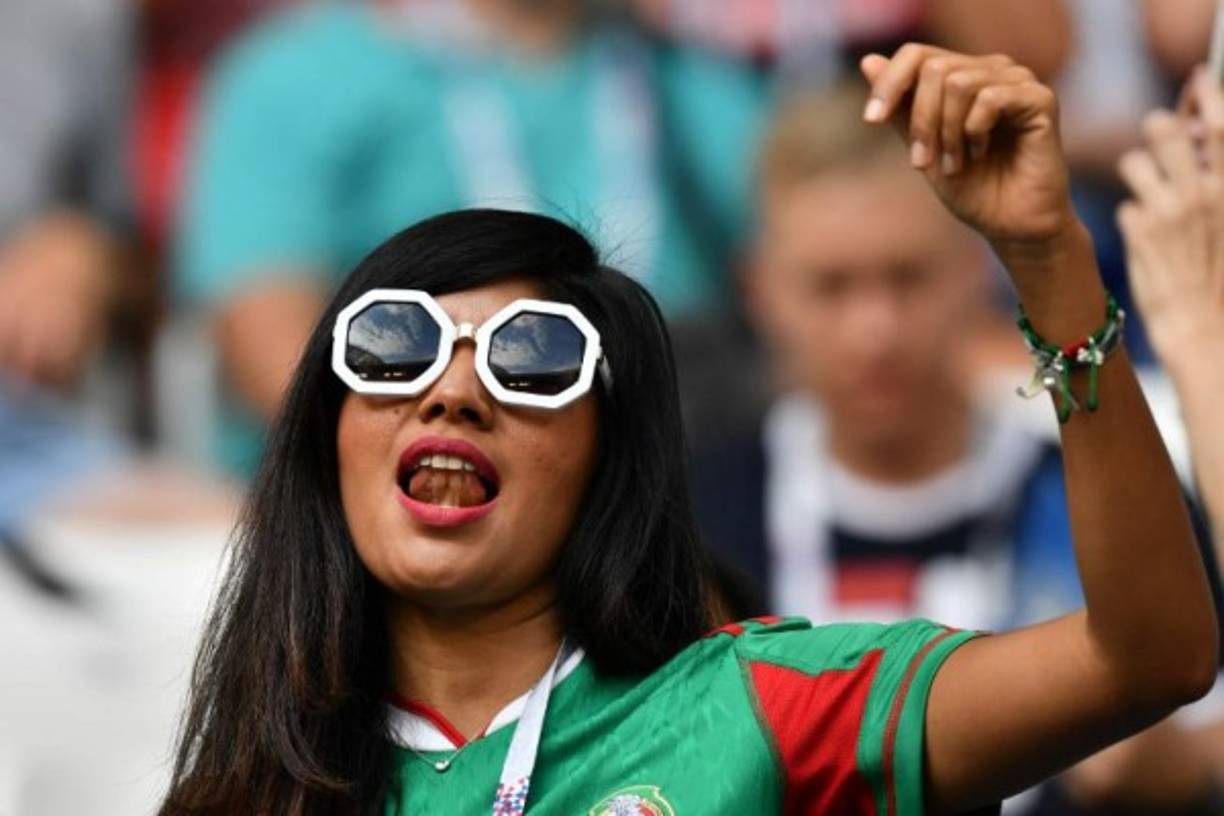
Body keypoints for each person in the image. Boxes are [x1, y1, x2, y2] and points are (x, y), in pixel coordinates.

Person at [161, 47, 1219, 815]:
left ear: (605, 457)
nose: (454, 392)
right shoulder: (240, 794)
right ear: (326, 432)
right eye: (391, 348)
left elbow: (1150, 660)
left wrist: (1048, 263)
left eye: (534, 361)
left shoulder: (759, 708)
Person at [177, 0, 765, 474]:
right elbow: (277, 356)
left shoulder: (688, 80)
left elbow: (822, 277)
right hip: (412, 487)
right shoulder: (294, 80)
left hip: (679, 480)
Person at [694, 82, 1080, 633]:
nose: (873, 331)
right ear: (761, 291)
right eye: (831, 286)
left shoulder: (1091, 502)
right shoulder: (695, 528)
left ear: (975, 271)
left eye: (908, 277)